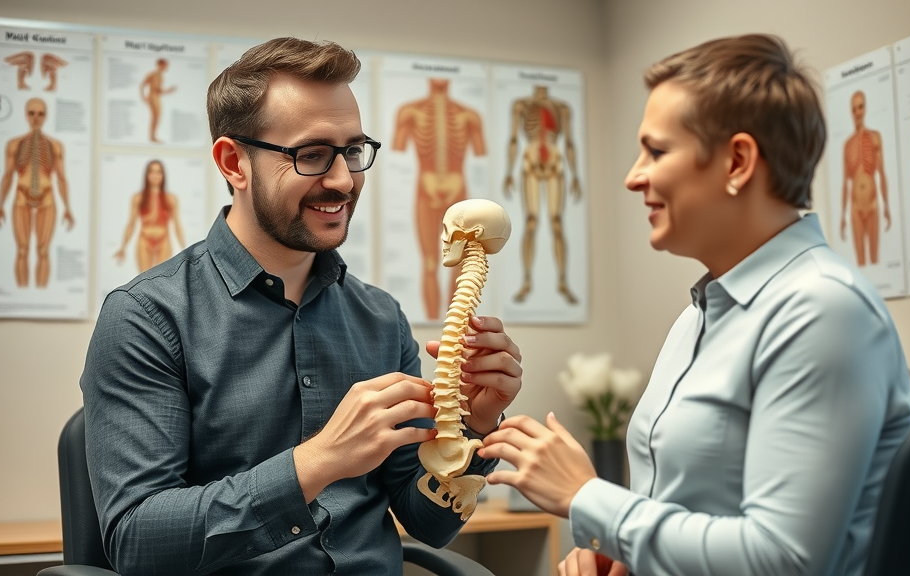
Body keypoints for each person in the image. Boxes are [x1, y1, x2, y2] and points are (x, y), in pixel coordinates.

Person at [480, 34, 910, 576]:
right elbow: (691, 506)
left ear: (737, 161)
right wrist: (619, 554)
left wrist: (588, 499)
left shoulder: (824, 312)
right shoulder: (702, 312)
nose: (633, 176)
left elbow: (781, 560)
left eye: (657, 151)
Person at [81, 38, 522, 576]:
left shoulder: (380, 318)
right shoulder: (146, 318)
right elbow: (137, 543)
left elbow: (428, 523)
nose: (342, 180)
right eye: (311, 155)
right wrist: (316, 462)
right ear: (233, 162)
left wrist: (474, 425)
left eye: (353, 151)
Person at [392, 78, 487, 320]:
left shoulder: (470, 116)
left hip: (459, 193)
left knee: (457, 265)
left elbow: (481, 153)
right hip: (426, 191)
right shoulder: (409, 112)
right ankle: (433, 320)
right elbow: (397, 152)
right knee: (431, 263)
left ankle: (452, 324)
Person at [503, 84, 582, 304]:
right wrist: (509, 172)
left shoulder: (562, 108)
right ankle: (527, 281)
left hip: (555, 158)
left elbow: (569, 142)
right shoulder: (521, 105)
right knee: (531, 222)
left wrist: (575, 174)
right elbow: (513, 140)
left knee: (557, 222)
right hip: (530, 158)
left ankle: (563, 282)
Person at [0, 97, 73, 288]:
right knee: (22, 249)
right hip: (21, 197)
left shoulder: (55, 146)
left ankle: (41, 292)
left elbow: (61, 177)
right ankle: (22, 291)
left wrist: (67, 207)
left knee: (43, 250)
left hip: (46, 198)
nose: (36, 118)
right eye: (32, 113)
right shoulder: (14, 144)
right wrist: (0, 205)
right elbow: (7, 176)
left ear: (46, 116)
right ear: (26, 115)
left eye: (40, 113)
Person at [840, 90, 890, 266]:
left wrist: (887, 206)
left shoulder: (875, 137)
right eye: (854, 109)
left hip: (873, 203)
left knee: (875, 259)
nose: (857, 112)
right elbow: (845, 184)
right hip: (855, 207)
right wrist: (842, 216)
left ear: (865, 108)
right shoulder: (847, 145)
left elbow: (882, 173)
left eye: (860, 107)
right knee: (860, 263)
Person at [113, 159, 186, 272]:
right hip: (144, 240)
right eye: (152, 172)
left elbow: (177, 225)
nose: (155, 176)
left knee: (162, 278)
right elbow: (131, 224)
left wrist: (185, 249)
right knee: (144, 279)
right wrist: (123, 247)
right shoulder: (138, 198)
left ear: (163, 175)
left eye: (158, 172)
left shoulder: (171, 199)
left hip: (163, 240)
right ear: (147, 175)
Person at [140, 58, 176, 143]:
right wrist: (143, 96)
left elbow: (158, 90)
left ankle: (153, 136)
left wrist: (168, 91)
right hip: (153, 97)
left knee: (157, 117)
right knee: (155, 117)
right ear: (160, 65)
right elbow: (143, 84)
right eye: (164, 65)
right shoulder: (153, 74)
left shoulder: (160, 75)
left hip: (157, 97)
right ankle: (152, 137)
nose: (166, 67)